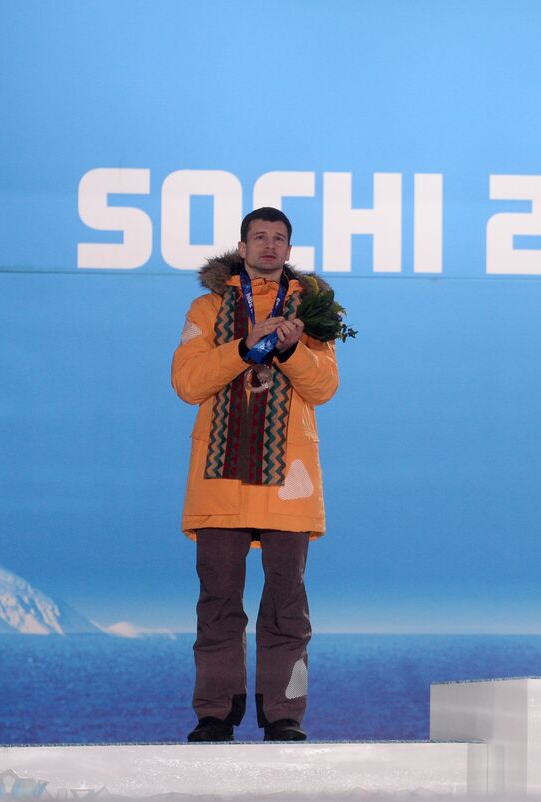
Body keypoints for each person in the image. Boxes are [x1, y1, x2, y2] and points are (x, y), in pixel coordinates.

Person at [172, 207, 339, 741]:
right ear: (241, 247)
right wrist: (245, 347)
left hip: (288, 481)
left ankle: (284, 715)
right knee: (218, 603)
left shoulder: (313, 309)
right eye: (259, 237)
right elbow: (188, 382)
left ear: (290, 250)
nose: (269, 246)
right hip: (220, 480)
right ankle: (215, 715)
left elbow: (324, 388)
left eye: (279, 238)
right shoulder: (207, 306)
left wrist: (290, 351)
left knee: (288, 607)